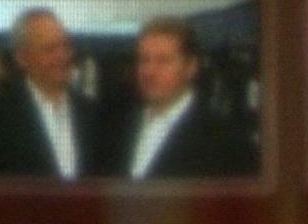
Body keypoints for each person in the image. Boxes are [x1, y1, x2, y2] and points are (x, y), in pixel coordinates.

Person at [0, 8, 102, 178]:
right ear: (22, 58)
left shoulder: (92, 113)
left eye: (65, 46)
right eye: (50, 49)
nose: (63, 56)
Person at [99, 19, 257, 180]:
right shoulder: (115, 128)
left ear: (191, 67)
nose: (149, 71)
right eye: (144, 60)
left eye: (163, 61)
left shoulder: (225, 142)